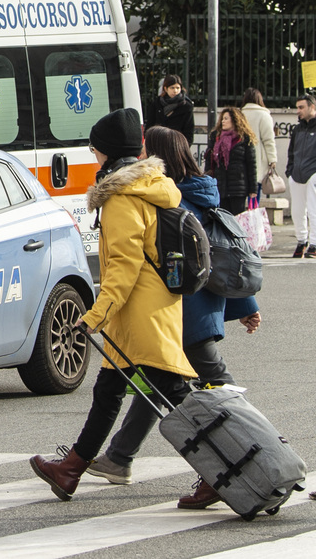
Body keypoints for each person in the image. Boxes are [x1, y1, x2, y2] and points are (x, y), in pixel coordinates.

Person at [86, 126, 262, 508]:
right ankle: (118, 456)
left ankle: (252, 450)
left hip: (184, 317)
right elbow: (227, 253)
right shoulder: (188, 193)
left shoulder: (169, 199)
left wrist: (98, 314)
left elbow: (213, 256)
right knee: (160, 387)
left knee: (212, 395)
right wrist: (246, 305)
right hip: (189, 313)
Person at [29, 108, 196, 503]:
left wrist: (93, 317)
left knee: (178, 401)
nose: (93, 157)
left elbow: (123, 266)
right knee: (108, 393)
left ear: (107, 153)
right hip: (145, 311)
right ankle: (71, 469)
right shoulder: (151, 185)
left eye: (95, 150)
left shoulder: (122, 198)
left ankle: (220, 470)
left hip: (139, 315)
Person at [204, 106, 258, 216]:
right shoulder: (216, 137)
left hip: (238, 187)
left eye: (226, 118)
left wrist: (253, 189)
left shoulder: (244, 139)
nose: (223, 121)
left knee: (238, 218)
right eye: (222, 118)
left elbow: (251, 164)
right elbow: (210, 161)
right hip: (220, 185)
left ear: (235, 120)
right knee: (223, 218)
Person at [287, 93, 316, 259]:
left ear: (312, 107)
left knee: (314, 210)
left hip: (313, 174)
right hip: (297, 174)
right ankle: (301, 241)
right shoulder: (297, 129)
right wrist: (290, 170)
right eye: (297, 107)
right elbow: (291, 151)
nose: (298, 111)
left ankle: (314, 244)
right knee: (297, 211)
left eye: (301, 107)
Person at [240, 88, 278, 199]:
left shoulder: (240, 114)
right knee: (255, 190)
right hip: (258, 159)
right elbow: (268, 139)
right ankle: (253, 211)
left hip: (240, 158)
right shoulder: (263, 115)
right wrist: (272, 159)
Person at [144, 74, 195, 144]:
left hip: (176, 145)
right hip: (158, 144)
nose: (175, 91)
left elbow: (189, 131)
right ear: (165, 88)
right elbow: (149, 126)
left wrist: (182, 148)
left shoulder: (186, 106)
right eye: (172, 88)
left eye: (178, 88)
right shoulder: (157, 104)